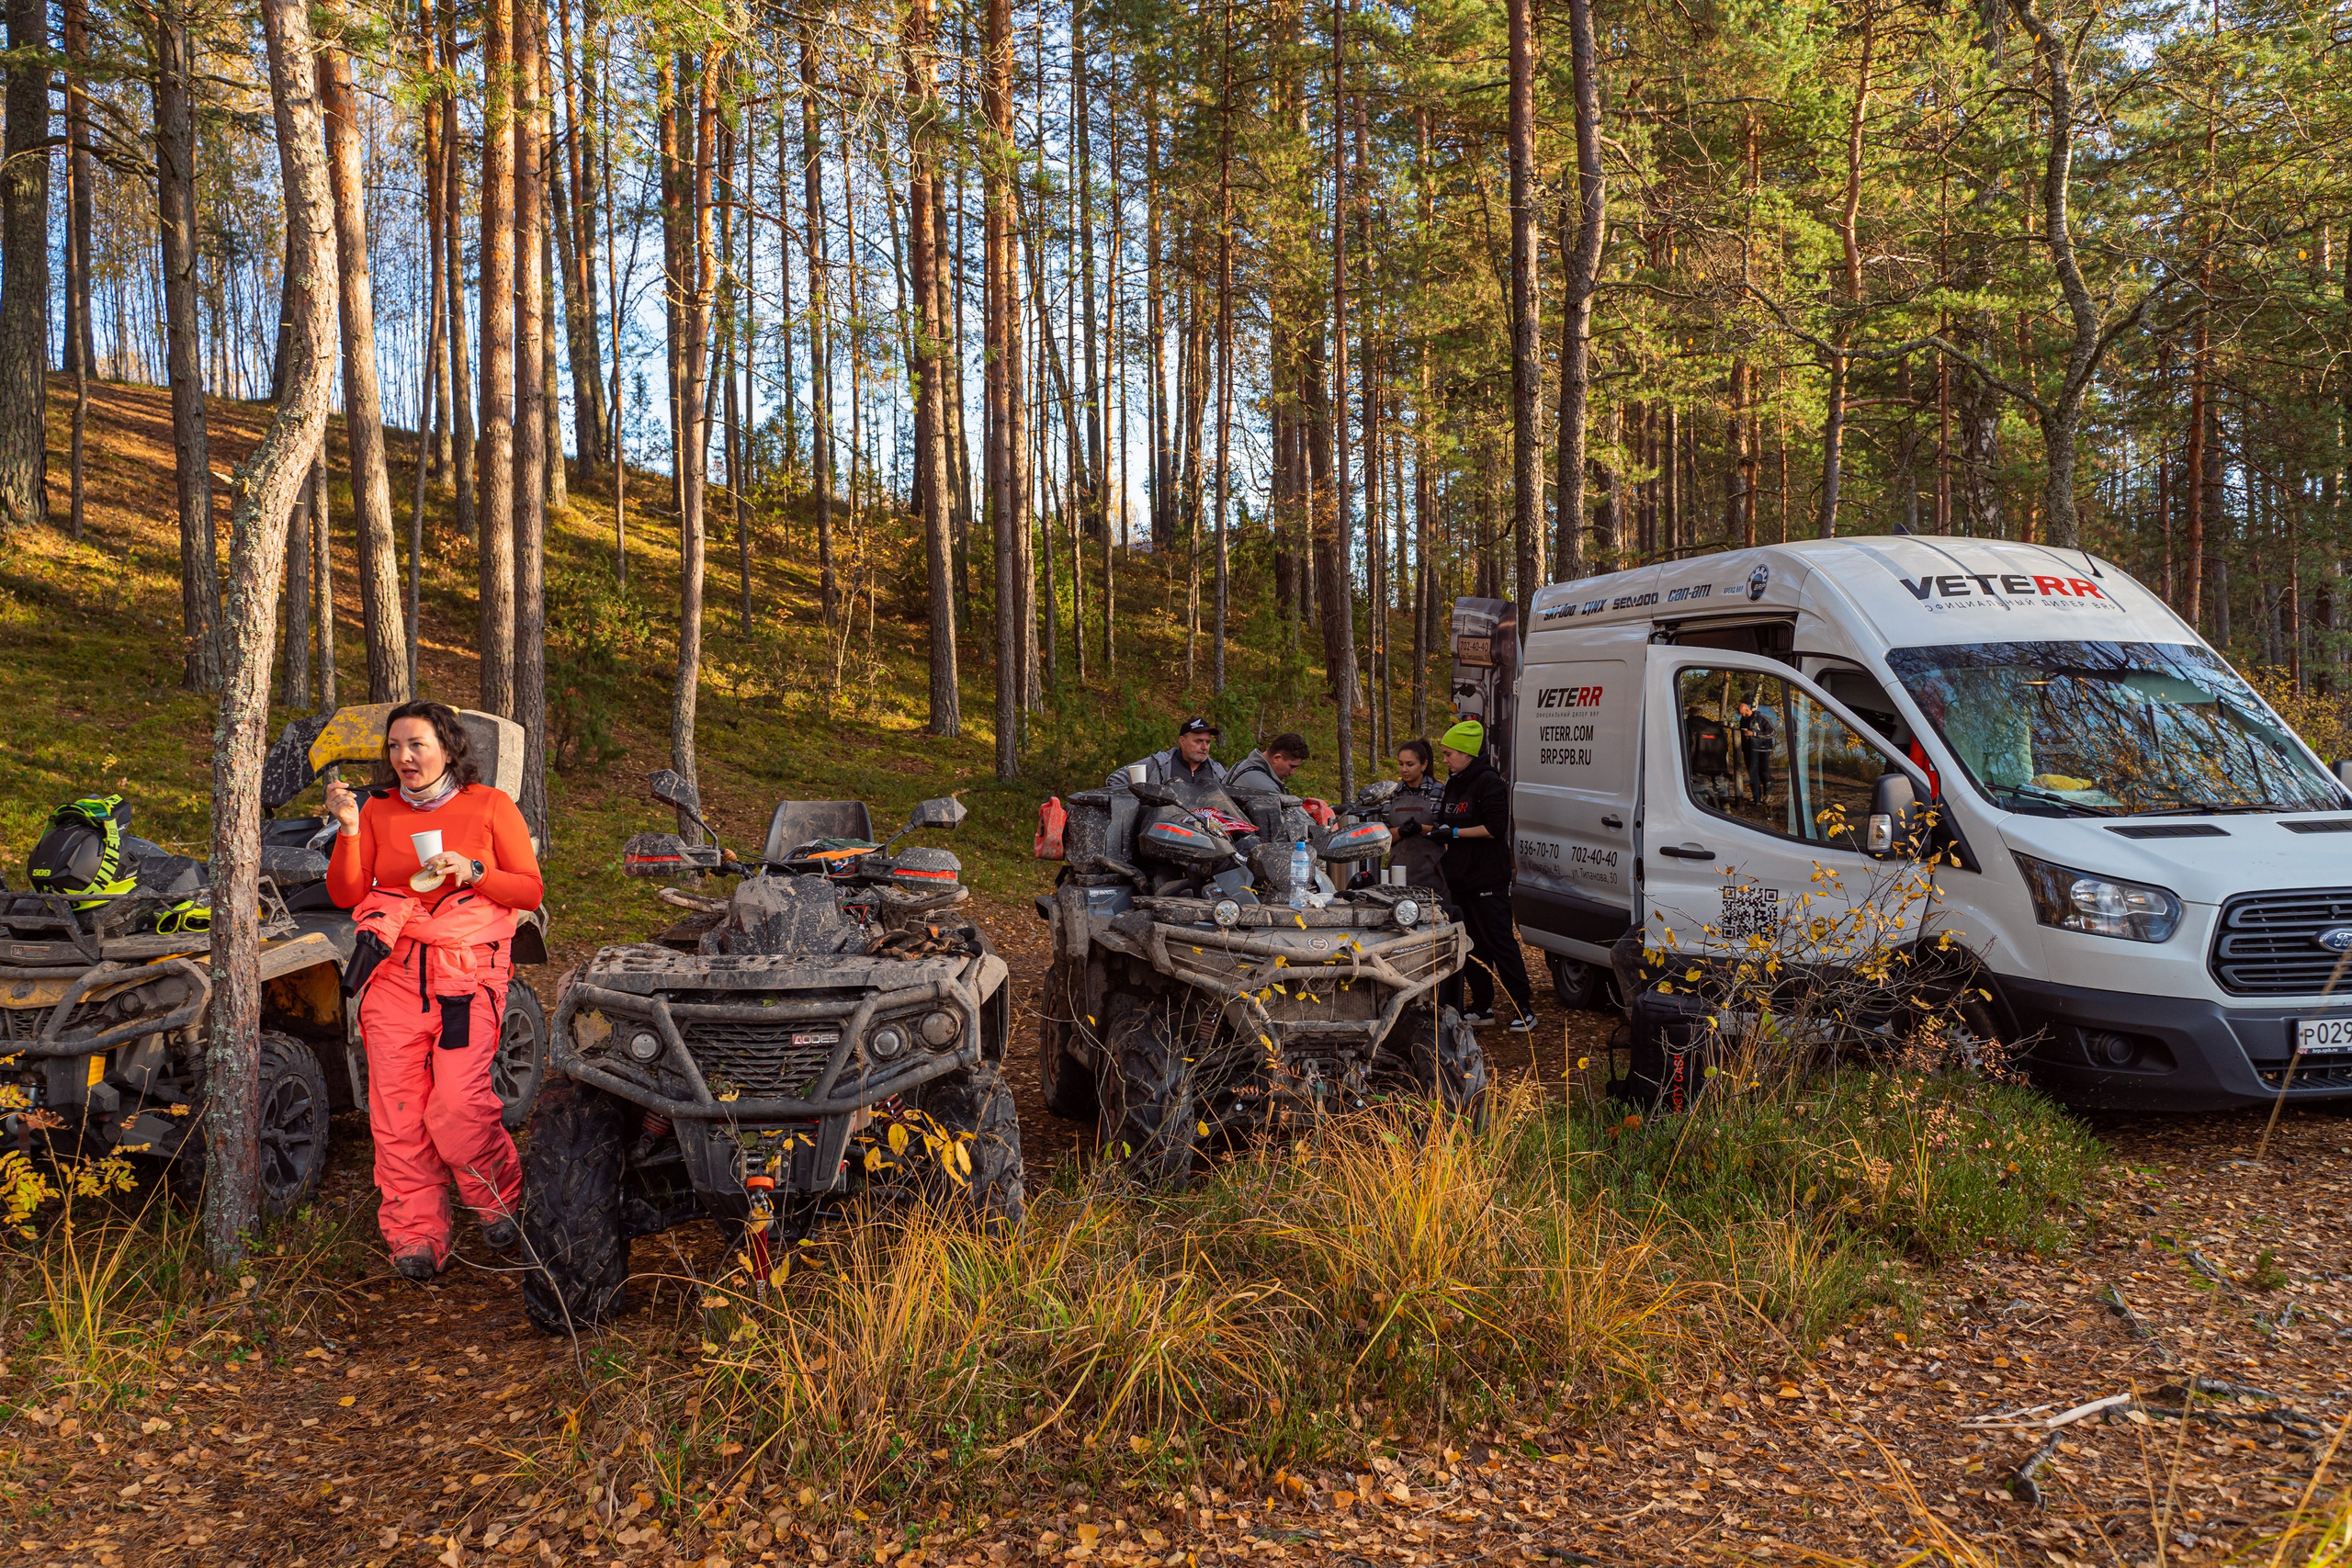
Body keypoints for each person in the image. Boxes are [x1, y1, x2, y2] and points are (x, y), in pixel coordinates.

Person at [324, 702, 544, 1281]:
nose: (403, 758)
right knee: (397, 1115)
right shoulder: (377, 810)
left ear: (448, 747)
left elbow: (527, 889)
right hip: (393, 977)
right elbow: (348, 894)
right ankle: (416, 1232)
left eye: (416, 744)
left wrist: (473, 871)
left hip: (466, 980)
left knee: (457, 1107)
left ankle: (501, 1203)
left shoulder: (491, 806)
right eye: (394, 746)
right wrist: (348, 829)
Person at [1412, 720, 1534, 1032]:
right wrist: (1430, 831)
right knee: (1472, 944)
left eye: (1449, 753)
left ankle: (1524, 1008)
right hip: (1460, 878)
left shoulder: (1488, 782)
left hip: (1487, 877)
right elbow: (1444, 821)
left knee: (1499, 941)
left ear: (1466, 753)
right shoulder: (1455, 782)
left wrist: (1454, 832)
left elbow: (1494, 829)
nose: (1444, 759)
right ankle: (1482, 1005)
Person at [1384, 739, 1448, 897]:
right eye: (1400, 764)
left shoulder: (1438, 792)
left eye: (1410, 764)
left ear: (1424, 765)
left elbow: (1447, 833)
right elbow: (1382, 837)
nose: (1404, 769)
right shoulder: (1392, 794)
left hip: (1432, 874)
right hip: (1397, 875)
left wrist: (1421, 829)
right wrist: (1401, 831)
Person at [1108, 716, 1227, 790]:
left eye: (1207, 742)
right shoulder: (1159, 763)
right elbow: (1115, 780)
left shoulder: (1217, 771)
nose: (1204, 747)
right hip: (1165, 828)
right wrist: (1137, 803)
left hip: (1206, 829)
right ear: (1182, 741)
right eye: (1199, 741)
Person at [1227, 732, 1308, 796]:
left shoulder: (1243, 764)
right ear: (1276, 758)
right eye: (1292, 766)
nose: (1293, 772)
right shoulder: (1267, 790)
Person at [1737, 697, 1775, 803]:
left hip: (1762, 750)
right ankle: (1756, 798)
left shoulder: (1762, 719)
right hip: (1749, 750)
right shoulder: (1743, 721)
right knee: (1752, 774)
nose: (1740, 715)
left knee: (1764, 773)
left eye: (1741, 713)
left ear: (1747, 709)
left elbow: (1772, 732)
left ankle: (1768, 795)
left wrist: (1754, 734)